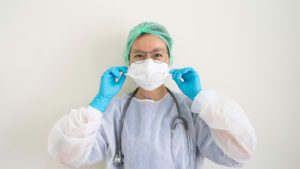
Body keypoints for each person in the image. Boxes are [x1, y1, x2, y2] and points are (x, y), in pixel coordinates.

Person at [48, 22, 257, 169]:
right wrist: (99, 102)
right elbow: (67, 154)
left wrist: (202, 98)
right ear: (129, 62)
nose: (148, 63)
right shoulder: (115, 111)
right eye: (139, 56)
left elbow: (240, 153)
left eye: (157, 55)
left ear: (169, 60)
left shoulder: (190, 110)